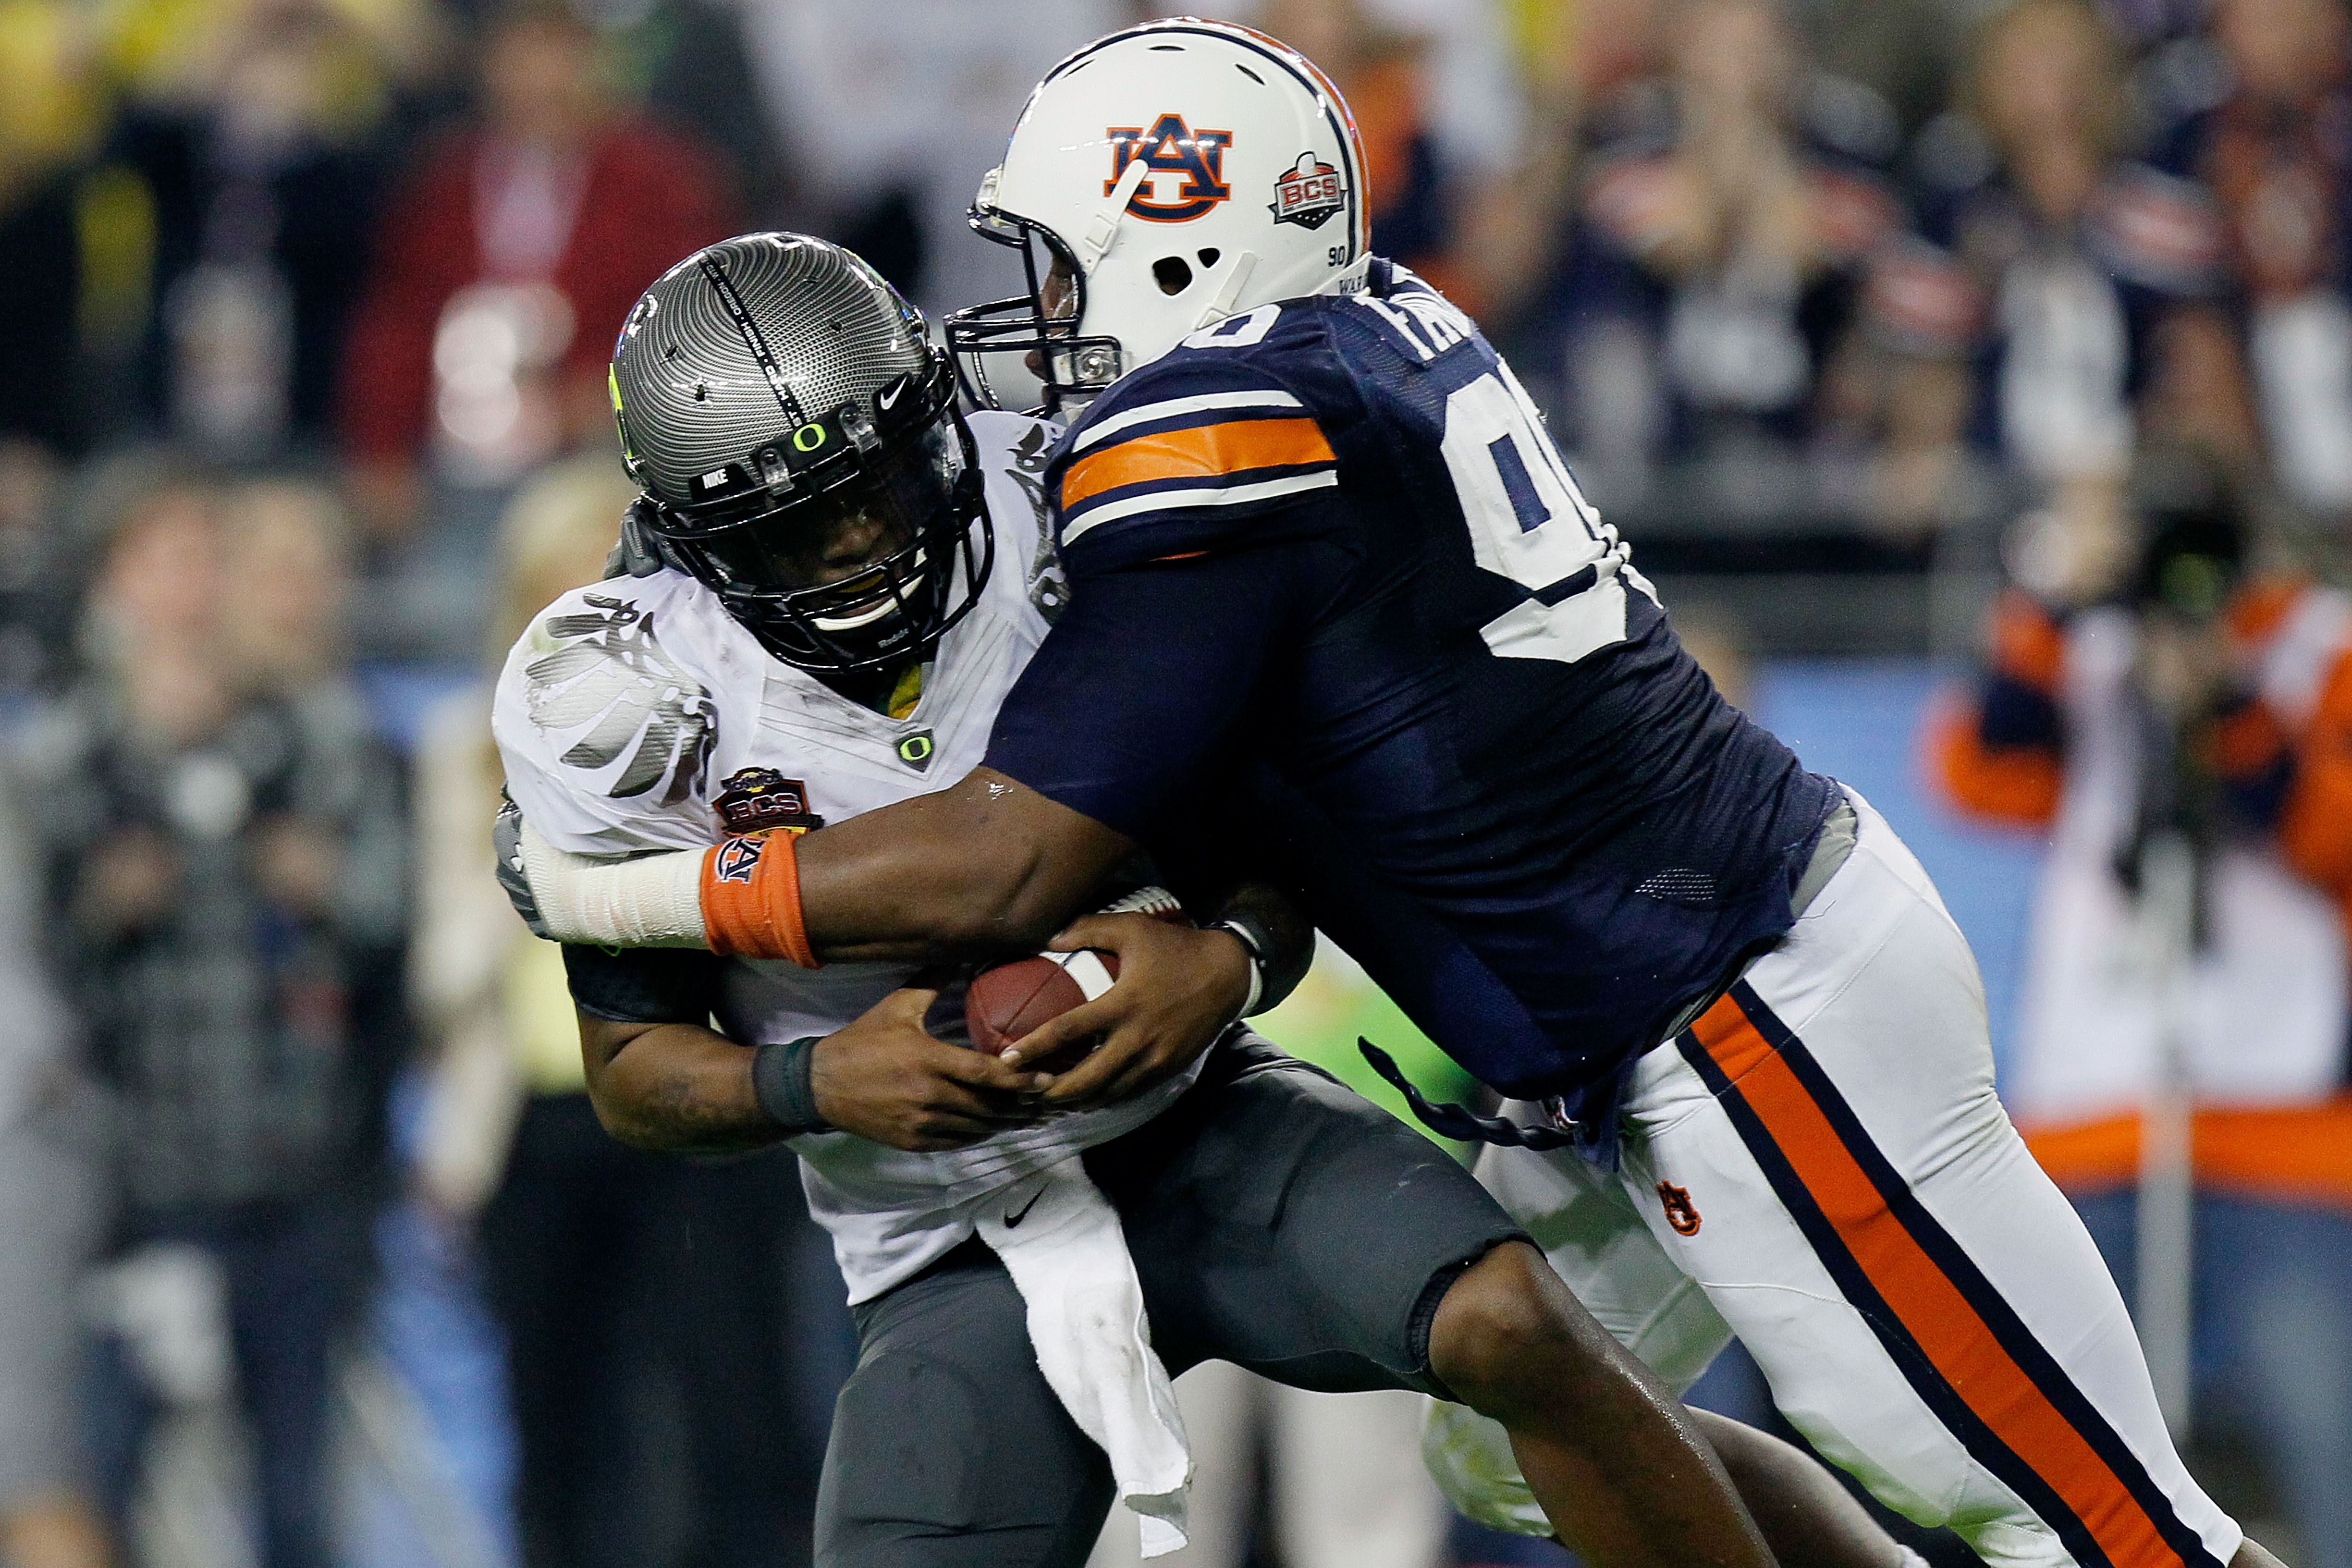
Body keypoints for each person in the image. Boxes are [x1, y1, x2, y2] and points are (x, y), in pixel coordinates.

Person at [508, 23, 2286, 1568]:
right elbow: (1281, 780)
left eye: (1062, 265)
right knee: (1523, 1443)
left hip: (1735, 1010)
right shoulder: (1369, 322)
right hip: (1638, 1012)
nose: (1038, 321)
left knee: (2080, 1524)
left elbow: (1004, 862)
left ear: (1175, 261)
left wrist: (616, 890)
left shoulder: (1203, 431)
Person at [494, 233, 1914, 1568]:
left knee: (1515, 1323)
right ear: (689, 539)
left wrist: (1229, 957)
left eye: (881, 482)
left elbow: (1276, 835)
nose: (863, 540)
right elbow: (632, 1074)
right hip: (942, 1231)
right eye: (799, 528)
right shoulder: (619, 694)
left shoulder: (1072, 507)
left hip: (1205, 1120)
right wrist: (815, 1081)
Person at [1929, 462, 2352, 1568]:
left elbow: (2334, 835)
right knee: (2037, 1466)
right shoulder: (2093, 647)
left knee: (2332, 1456)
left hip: (2284, 1128)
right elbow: (1978, 774)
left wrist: (2231, 706)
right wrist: (2052, 596)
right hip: (2094, 1113)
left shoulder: (2322, 647)